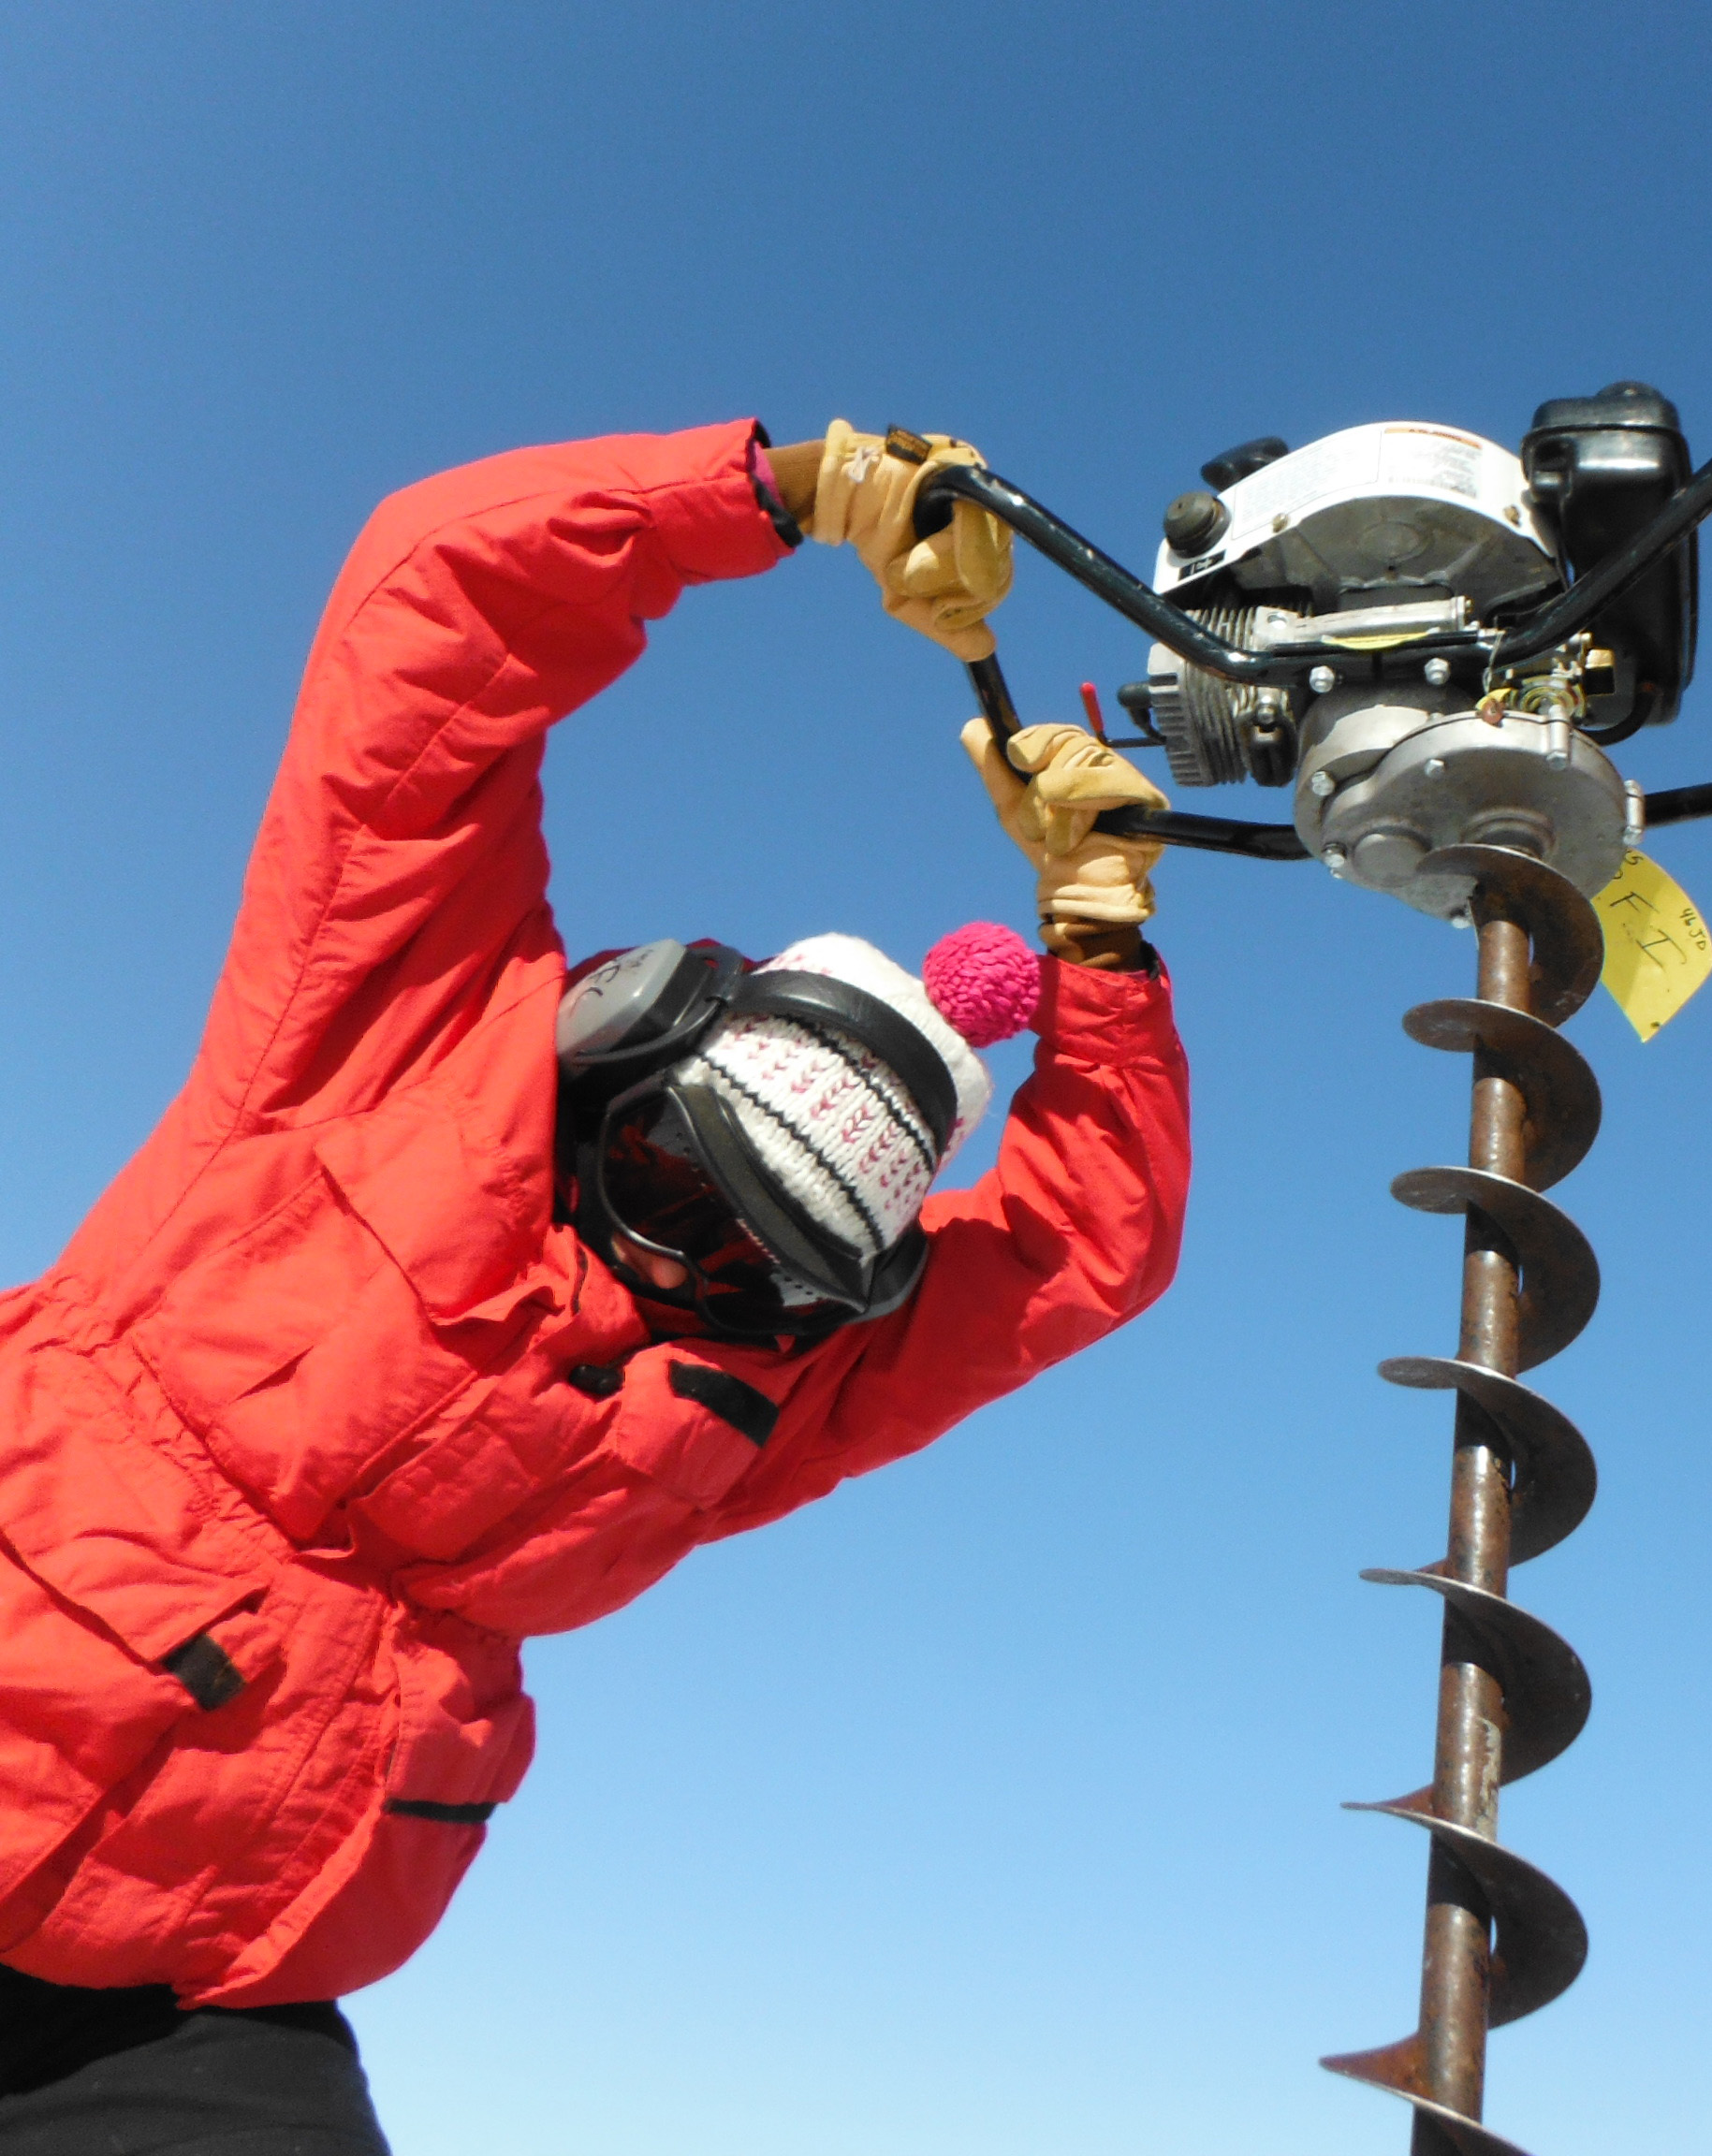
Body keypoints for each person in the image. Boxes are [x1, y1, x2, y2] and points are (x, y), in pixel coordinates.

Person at [0, 418, 1192, 2149]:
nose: (677, 1266)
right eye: (668, 1177)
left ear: (830, 1292)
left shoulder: (766, 1394)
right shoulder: (390, 1036)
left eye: (760, 1256)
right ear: (624, 1051)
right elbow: (432, 607)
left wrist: (1100, 941)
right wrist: (777, 496)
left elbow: (1089, 1244)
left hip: (203, 1996)